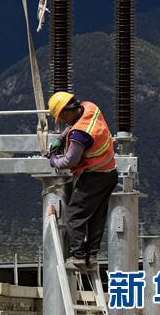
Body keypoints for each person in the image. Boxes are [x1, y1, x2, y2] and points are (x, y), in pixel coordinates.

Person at [47, 91, 117, 269]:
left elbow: (71, 161)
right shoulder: (89, 107)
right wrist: (61, 139)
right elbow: (73, 126)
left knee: (75, 215)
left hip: (93, 176)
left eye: (62, 118)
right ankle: (91, 256)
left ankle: (78, 256)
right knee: (96, 216)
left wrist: (54, 160)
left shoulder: (80, 135)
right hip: (109, 173)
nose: (64, 122)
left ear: (65, 112)